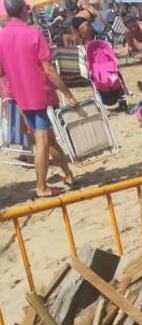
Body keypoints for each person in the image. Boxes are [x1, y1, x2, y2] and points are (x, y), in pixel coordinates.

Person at [0, 0, 77, 198]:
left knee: (48, 138)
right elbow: (49, 70)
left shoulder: (2, 37)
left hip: (20, 94)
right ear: (25, 11)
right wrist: (68, 94)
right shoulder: (33, 33)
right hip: (37, 94)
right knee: (42, 140)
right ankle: (42, 186)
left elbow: (1, 71)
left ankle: (68, 174)